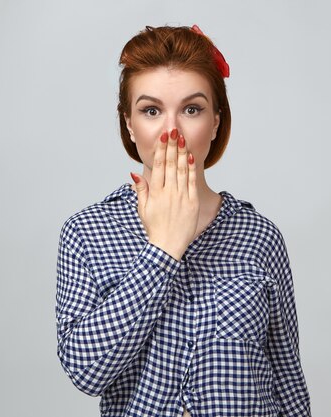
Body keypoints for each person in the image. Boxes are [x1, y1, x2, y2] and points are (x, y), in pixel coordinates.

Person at [55, 24, 311, 417]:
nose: (171, 131)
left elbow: (288, 384)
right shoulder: (87, 232)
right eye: (151, 110)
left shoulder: (260, 237)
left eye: (192, 109)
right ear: (128, 122)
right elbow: (86, 371)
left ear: (215, 121)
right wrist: (163, 248)